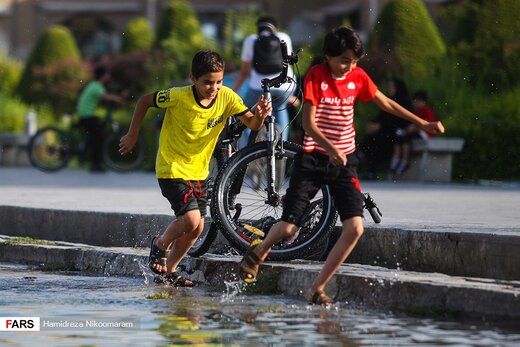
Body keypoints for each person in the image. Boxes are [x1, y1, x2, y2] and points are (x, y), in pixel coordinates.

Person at [237, 26, 444, 305]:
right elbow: (309, 124)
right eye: (345, 60)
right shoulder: (316, 76)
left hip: (344, 161)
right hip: (312, 159)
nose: (350, 66)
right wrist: (331, 149)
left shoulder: (357, 76)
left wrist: (422, 123)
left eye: (355, 61)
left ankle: (317, 288)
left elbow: (385, 102)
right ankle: (259, 251)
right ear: (328, 57)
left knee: (355, 228)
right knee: (288, 228)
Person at [119, 50, 270, 287]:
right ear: (193, 78)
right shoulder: (178, 96)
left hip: (199, 172)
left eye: (218, 82)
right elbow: (145, 101)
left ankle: (169, 271)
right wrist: (132, 134)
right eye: (207, 82)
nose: (213, 88)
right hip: (172, 167)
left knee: (197, 227)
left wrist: (260, 116)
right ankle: (159, 244)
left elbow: (251, 123)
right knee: (190, 220)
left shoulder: (227, 97)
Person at [233, 16, 296, 146]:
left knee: (246, 111)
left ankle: (245, 149)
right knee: (281, 106)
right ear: (275, 28)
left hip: (259, 87)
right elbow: (288, 64)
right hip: (283, 86)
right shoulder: (283, 37)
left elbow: (245, 71)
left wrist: (234, 91)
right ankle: (282, 145)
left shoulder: (251, 40)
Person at [358, 77, 413, 179]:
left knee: (379, 142)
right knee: (373, 139)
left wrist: (380, 126)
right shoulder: (388, 100)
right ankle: (364, 160)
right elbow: (382, 117)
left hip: (396, 134)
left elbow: (401, 121)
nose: (389, 89)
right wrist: (373, 124)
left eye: (392, 87)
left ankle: (368, 165)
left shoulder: (403, 102)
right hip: (387, 133)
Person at [76, 65, 125, 172]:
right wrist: (118, 99)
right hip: (87, 115)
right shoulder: (97, 86)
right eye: (107, 74)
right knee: (98, 139)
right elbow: (105, 96)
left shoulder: (94, 85)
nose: (109, 77)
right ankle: (95, 165)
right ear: (103, 76)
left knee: (95, 136)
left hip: (85, 114)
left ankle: (91, 159)